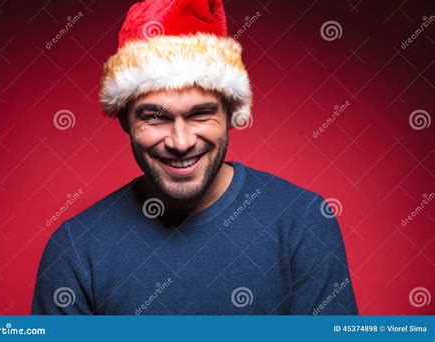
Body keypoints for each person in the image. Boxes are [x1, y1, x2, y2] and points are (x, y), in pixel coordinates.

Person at [32, 0, 358, 315]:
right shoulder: (76, 249)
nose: (181, 142)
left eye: (201, 114)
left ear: (231, 112)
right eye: (155, 117)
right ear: (124, 121)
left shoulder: (302, 222)